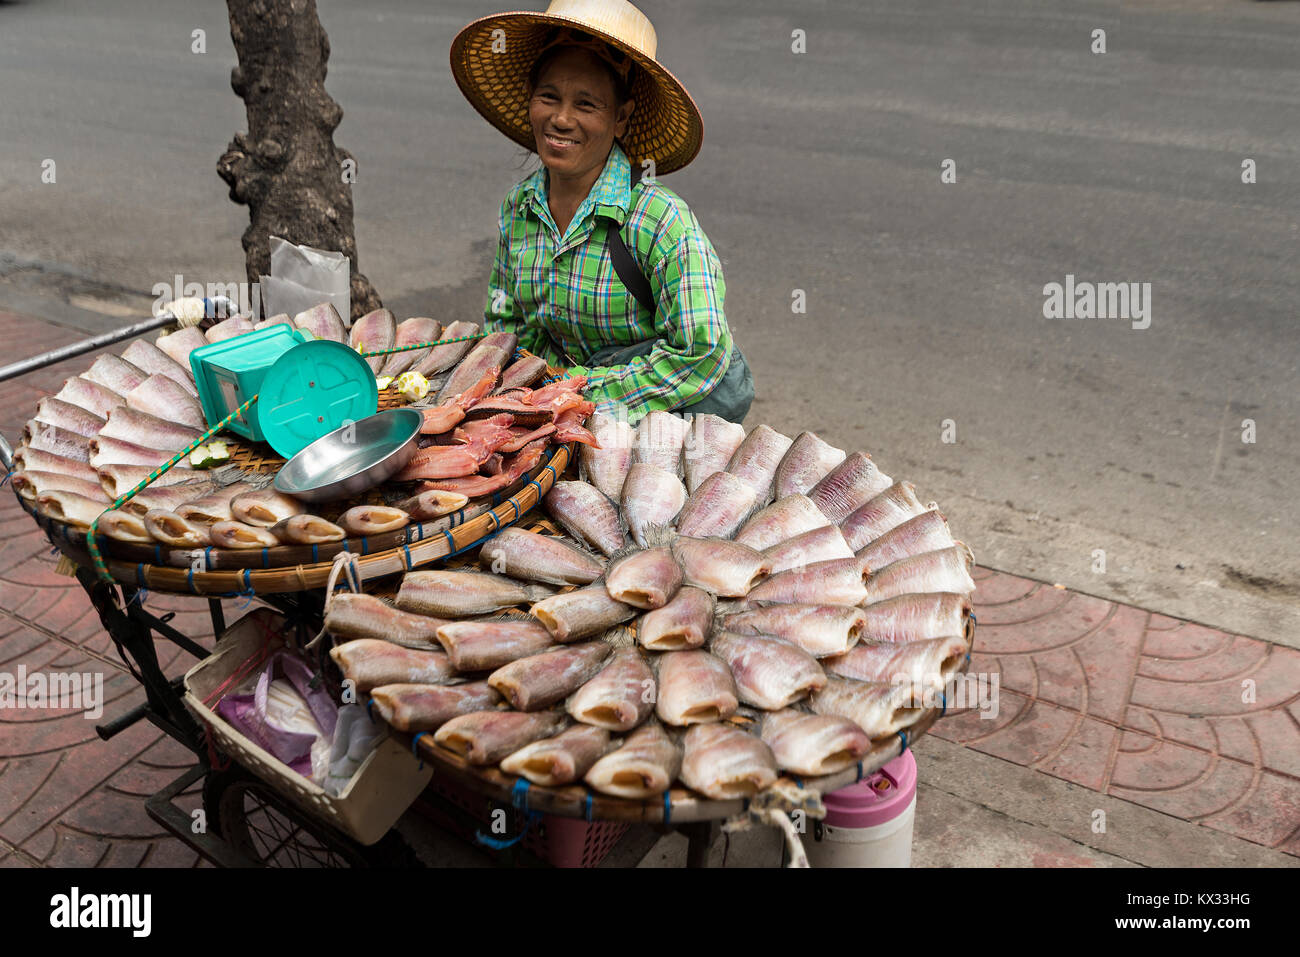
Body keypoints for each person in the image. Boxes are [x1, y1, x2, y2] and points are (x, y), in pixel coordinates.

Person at [450, 0, 754, 425]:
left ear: (621, 118)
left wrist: (578, 391)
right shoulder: (519, 208)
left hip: (650, 424)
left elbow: (701, 352)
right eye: (548, 97)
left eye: (586, 105)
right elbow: (508, 325)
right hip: (555, 413)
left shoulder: (659, 220)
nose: (561, 119)